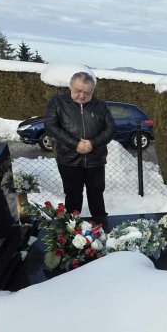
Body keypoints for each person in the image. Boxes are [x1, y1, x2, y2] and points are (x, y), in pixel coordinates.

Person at [44, 71, 116, 228]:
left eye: (87, 92)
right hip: (69, 160)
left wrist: (92, 143)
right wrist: (75, 144)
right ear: (70, 86)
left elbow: (111, 129)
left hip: (95, 160)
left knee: (96, 195)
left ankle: (101, 229)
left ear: (93, 91)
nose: (82, 96)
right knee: (73, 196)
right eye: (78, 91)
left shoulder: (100, 106)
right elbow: (50, 126)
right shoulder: (58, 102)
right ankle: (71, 232)